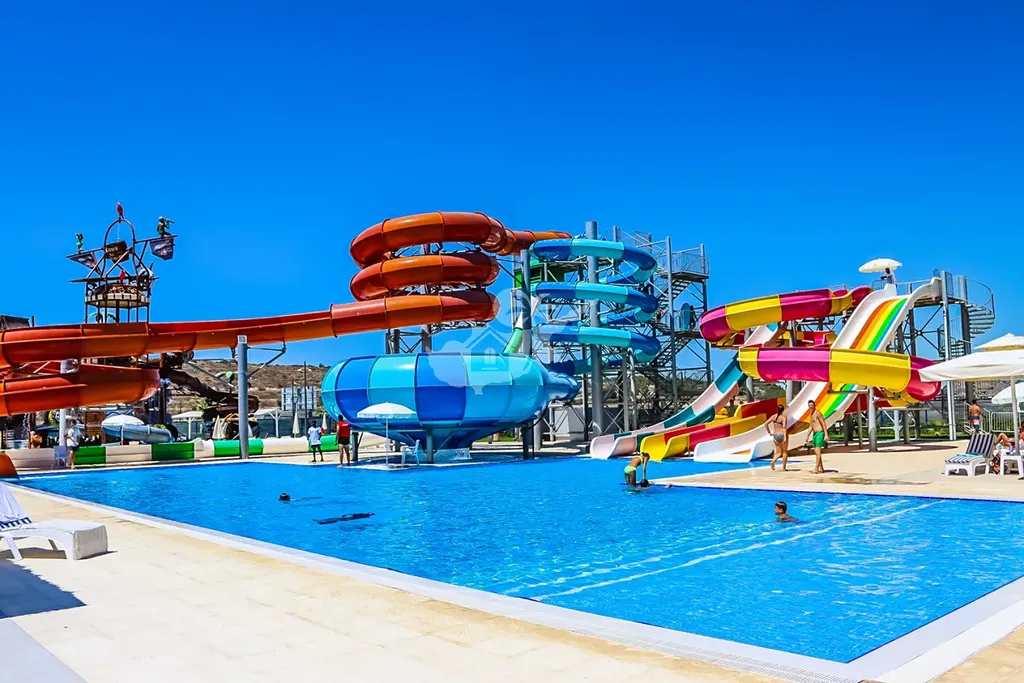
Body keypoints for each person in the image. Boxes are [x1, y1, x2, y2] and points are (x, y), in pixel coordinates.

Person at [766, 405, 789, 471]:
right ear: (783, 410)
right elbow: (784, 428)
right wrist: (785, 437)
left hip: (775, 435)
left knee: (778, 452)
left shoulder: (773, 417)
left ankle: (773, 461)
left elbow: (766, 424)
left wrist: (769, 432)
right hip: (782, 434)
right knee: (784, 452)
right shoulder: (783, 418)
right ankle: (784, 468)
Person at [807, 401, 828, 474]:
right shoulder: (811, 415)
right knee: (816, 451)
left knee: (817, 451)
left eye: (812, 405)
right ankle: (821, 468)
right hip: (815, 434)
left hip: (820, 433)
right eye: (809, 405)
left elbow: (823, 423)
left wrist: (826, 434)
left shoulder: (817, 413)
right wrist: (807, 435)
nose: (810, 406)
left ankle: (816, 468)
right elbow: (811, 426)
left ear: (814, 405)